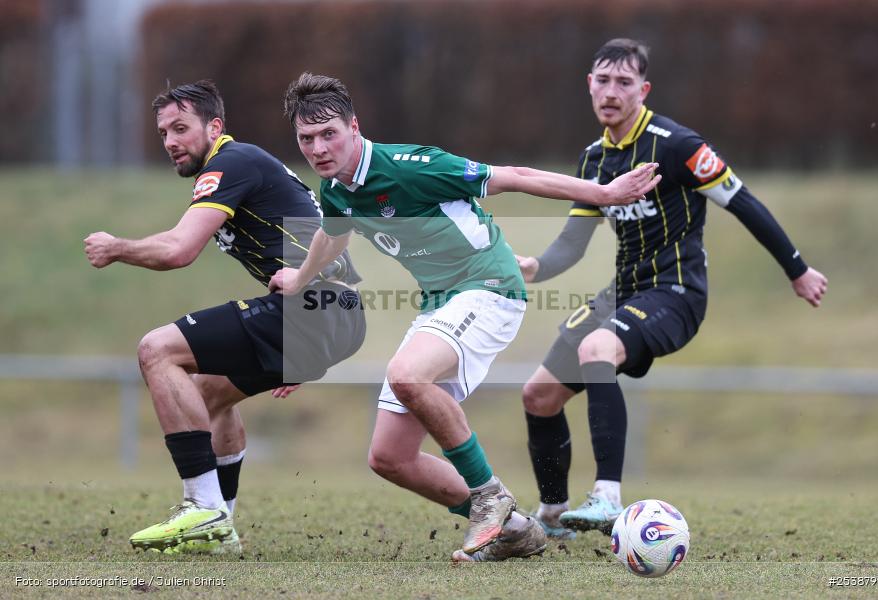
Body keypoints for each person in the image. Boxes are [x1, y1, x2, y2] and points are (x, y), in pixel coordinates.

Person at [269, 72, 660, 562]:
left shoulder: (412, 167)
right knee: (390, 458)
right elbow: (334, 233)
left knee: (407, 375)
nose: (319, 148)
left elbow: (517, 176)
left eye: (329, 134)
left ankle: (490, 497)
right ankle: (516, 530)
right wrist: (299, 279)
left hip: (489, 287)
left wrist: (604, 193)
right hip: (442, 303)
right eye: (306, 138)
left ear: (354, 126)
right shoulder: (336, 189)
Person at [516, 39, 829, 539]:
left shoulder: (677, 145)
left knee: (597, 348)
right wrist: (531, 267)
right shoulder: (594, 160)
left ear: (643, 90)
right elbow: (573, 245)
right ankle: (553, 517)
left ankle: (607, 498)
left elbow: (742, 201)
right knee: (539, 394)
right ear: (589, 85)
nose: (611, 92)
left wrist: (798, 269)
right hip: (623, 292)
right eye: (603, 80)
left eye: (624, 82)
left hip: (676, 292)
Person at [84, 80, 366, 554]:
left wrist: (116, 248)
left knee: (156, 350)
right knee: (207, 392)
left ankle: (202, 504)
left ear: (214, 127)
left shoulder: (229, 162)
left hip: (315, 308)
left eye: (181, 128)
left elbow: (179, 250)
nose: (170, 141)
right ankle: (221, 530)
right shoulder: (245, 165)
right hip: (333, 314)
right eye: (163, 132)